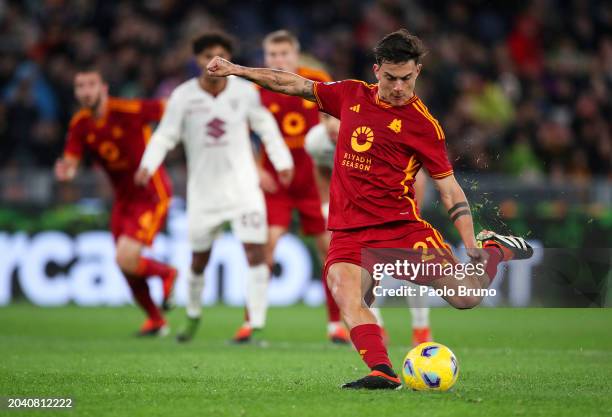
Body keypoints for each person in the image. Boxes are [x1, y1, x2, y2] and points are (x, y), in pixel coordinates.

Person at [206, 28, 533, 389]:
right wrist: (238, 70)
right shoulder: (350, 95)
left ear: (417, 73)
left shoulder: (424, 125)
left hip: (400, 229)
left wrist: (470, 242)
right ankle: (382, 370)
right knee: (344, 291)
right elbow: (293, 84)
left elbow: (449, 189)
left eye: (406, 79)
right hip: (350, 232)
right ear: (376, 71)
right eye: (391, 78)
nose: (398, 87)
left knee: (467, 296)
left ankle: (496, 250)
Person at [135, 32, 293, 343]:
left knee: (257, 253)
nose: (214, 61)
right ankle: (193, 315)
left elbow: (265, 126)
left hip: (244, 188)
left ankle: (256, 325)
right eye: (208, 55)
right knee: (199, 260)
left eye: (221, 54)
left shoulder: (245, 92)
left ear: (229, 60)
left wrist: (282, 160)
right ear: (197, 60)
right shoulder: (183, 96)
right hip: (204, 193)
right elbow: (165, 135)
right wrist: (148, 164)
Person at [232, 30, 348, 345]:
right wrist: (256, 169)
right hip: (275, 183)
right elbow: (238, 134)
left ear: (295, 56)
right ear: (265, 58)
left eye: (284, 54)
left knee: (330, 250)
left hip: (314, 180)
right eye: (272, 55)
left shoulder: (316, 79)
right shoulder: (256, 88)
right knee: (265, 249)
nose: (279, 60)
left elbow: (335, 122)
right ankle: (250, 323)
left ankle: (336, 325)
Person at [55, 67, 176, 337]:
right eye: (80, 86)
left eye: (91, 85)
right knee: (125, 265)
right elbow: (72, 161)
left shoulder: (128, 110)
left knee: (125, 258)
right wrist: (67, 171)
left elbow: (171, 108)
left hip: (151, 193)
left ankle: (167, 274)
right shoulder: (80, 123)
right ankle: (156, 320)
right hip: (123, 200)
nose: (86, 92)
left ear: (103, 88)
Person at [305, 114, 432, 347]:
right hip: (357, 209)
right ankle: (376, 327)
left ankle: (421, 328)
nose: (330, 125)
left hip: (394, 202)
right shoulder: (316, 141)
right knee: (357, 266)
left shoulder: (376, 134)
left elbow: (418, 176)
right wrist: (326, 210)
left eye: (336, 118)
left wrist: (412, 217)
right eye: (324, 117)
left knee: (414, 260)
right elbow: (321, 171)